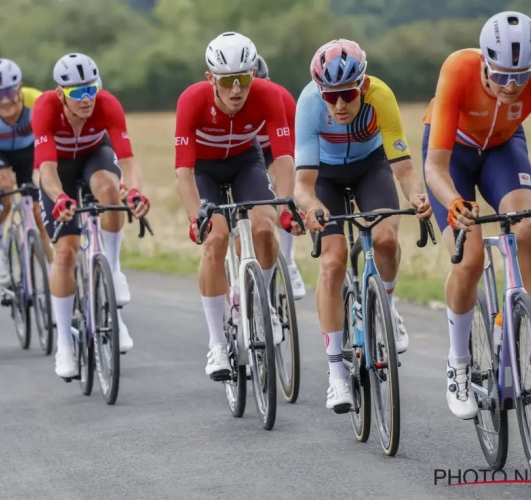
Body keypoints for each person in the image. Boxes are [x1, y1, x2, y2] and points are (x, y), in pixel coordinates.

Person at [423, 11, 531, 420]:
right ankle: (458, 364)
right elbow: (434, 166)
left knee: (528, 231)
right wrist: (454, 202)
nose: (510, 85)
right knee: (469, 259)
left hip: (504, 148)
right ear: (485, 62)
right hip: (452, 153)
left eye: (520, 76)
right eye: (501, 75)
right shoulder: (459, 68)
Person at [295, 39, 431, 412]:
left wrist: (418, 197)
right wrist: (312, 208)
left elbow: (403, 169)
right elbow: (302, 187)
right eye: (331, 96)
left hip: (371, 167)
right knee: (333, 262)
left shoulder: (381, 96)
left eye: (348, 94)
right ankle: (336, 373)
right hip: (325, 176)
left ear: (364, 85)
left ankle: (386, 305)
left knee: (386, 239)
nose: (339, 105)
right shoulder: (309, 104)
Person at [175, 32, 303, 380]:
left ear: (253, 75)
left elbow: (282, 158)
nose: (236, 90)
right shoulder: (192, 100)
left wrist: (286, 204)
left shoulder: (267, 95)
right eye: (228, 81)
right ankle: (217, 344)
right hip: (204, 169)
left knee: (265, 226)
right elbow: (184, 172)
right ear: (211, 79)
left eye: (243, 79)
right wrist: (194, 218)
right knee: (215, 240)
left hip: (246, 161)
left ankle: (263, 304)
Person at [34, 53, 150, 378]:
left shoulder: (107, 104)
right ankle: (64, 346)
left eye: (91, 90)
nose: (87, 100)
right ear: (61, 94)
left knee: (110, 192)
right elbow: (45, 168)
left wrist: (135, 190)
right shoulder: (45, 108)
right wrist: (58, 198)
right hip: (59, 171)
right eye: (77, 93)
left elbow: (127, 160)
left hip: (94, 157)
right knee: (65, 253)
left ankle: (112, 271)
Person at [0, 58, 52, 285]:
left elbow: (51, 145)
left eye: (9, 91)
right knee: (3, 190)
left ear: (20, 87)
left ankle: (54, 275)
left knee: (39, 213)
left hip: (30, 150)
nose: (5, 99)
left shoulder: (38, 101)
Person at [254, 55, 306, 300]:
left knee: (285, 188)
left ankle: (287, 259)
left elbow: (289, 154)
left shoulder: (281, 99)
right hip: (238, 154)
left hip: (272, 151)